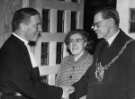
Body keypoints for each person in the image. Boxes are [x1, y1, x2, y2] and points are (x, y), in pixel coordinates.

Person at [0, 7, 73, 99]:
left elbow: (32, 80)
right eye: (37, 25)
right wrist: (60, 92)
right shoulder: (12, 50)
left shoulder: (19, 45)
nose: (40, 29)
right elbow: (26, 85)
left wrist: (58, 89)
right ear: (22, 26)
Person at [69, 8, 135, 99]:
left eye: (97, 25)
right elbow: (91, 75)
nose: (93, 28)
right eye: (93, 25)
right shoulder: (101, 45)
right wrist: (71, 90)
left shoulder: (131, 47)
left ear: (111, 22)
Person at [55, 29, 93, 99]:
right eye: (71, 41)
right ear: (68, 45)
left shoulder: (92, 61)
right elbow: (57, 82)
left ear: (85, 43)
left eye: (78, 40)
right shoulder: (65, 60)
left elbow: (95, 87)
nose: (74, 44)